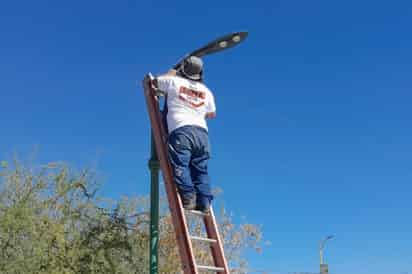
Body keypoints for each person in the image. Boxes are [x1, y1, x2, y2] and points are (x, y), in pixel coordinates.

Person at [153, 56, 216, 213]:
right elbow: (211, 114)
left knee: (180, 165)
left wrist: (171, 72)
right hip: (202, 134)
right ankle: (205, 202)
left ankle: (188, 197)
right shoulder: (206, 91)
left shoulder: (174, 81)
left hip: (181, 130)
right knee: (200, 169)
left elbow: (154, 82)